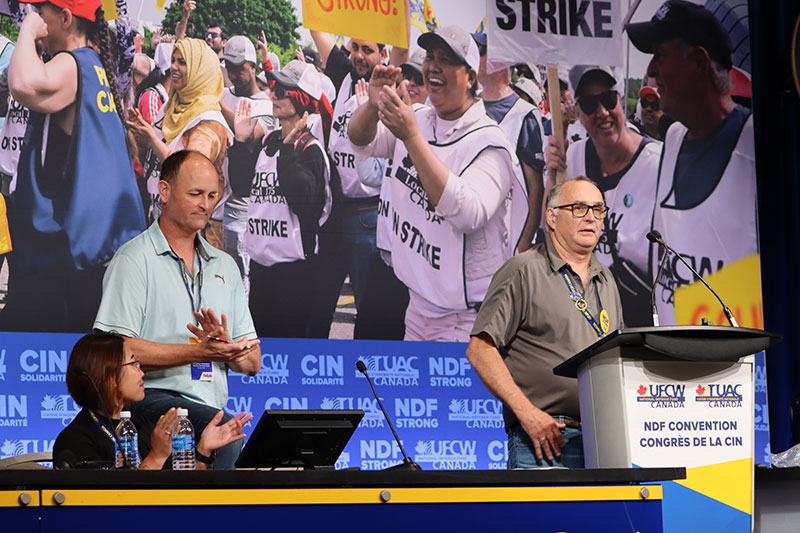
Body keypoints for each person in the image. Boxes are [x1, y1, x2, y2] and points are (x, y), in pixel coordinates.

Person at [348, 25, 521, 341]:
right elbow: (361, 143)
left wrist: (412, 137)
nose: (433, 66)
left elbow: (468, 213)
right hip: (417, 307)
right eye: (430, 56)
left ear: (470, 77)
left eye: (448, 59)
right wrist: (372, 105)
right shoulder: (420, 117)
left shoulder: (490, 142)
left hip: (466, 319)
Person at [94, 150, 261, 470]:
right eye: (195, 194)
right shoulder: (134, 259)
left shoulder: (225, 265)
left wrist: (226, 347)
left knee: (231, 431)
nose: (206, 204)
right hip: (149, 398)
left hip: (206, 405)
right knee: (224, 429)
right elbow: (115, 348)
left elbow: (253, 362)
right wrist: (199, 352)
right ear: (165, 191)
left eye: (213, 195)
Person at [1, 0, 145, 332]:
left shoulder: (71, 64)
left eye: (41, 10)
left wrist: (25, 32)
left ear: (66, 18)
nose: (35, 15)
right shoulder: (94, 65)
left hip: (67, 251)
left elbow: (23, 85)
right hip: (93, 249)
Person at [466, 178, 623, 469]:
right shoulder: (523, 270)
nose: (591, 216)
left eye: (598, 209)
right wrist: (527, 414)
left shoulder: (606, 279)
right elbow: (480, 350)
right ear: (551, 216)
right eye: (579, 208)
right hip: (544, 441)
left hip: (603, 441)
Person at [627, 0, 756, 325]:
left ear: (699, 62)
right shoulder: (672, 139)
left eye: (661, 55)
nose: (652, 70)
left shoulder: (755, 147)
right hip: (677, 365)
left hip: (739, 368)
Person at [545, 66, 661, 326]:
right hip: (588, 321)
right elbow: (551, 235)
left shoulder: (659, 165)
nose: (602, 112)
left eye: (608, 99)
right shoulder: (572, 158)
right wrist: (553, 177)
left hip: (644, 323)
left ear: (620, 98)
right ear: (578, 113)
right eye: (588, 104)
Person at [308, 30, 406, 339]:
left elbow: (401, 47)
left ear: (383, 56)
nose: (360, 56)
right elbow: (316, 27)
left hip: (370, 216)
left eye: (368, 50)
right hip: (336, 212)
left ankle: (365, 380)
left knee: (369, 312)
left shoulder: (389, 86)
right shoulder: (343, 73)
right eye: (355, 48)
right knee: (318, 305)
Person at [228, 60, 332, 337]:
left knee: (290, 353)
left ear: (303, 99)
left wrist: (288, 154)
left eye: (284, 91)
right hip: (262, 270)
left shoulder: (311, 149)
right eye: (274, 87)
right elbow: (240, 187)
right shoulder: (267, 141)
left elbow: (305, 206)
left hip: (295, 275)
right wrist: (240, 142)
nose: (273, 94)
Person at [53, 332, 252, 470]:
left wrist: (202, 451)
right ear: (108, 375)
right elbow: (110, 507)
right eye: (133, 363)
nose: (141, 372)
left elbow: (179, 495)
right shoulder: (75, 440)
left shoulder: (143, 425)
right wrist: (156, 456)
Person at [128, 37, 232, 250]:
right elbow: (146, 160)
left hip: (195, 237)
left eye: (183, 62)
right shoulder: (169, 108)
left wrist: (152, 140)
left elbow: (190, 173)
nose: (174, 67)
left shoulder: (209, 122)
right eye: (173, 60)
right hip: (161, 225)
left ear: (199, 70)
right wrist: (137, 133)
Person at [475, 32, 544, 253]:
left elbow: (535, 188)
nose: (473, 56)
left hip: (504, 248)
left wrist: (522, 248)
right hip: (466, 241)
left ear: (501, 59)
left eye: (481, 51)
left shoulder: (525, 115)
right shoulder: (469, 105)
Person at [218, 35, 275, 290]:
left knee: (240, 279)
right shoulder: (223, 94)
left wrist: (217, 103)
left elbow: (250, 134)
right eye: (228, 67)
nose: (233, 73)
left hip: (242, 209)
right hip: (215, 205)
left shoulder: (265, 104)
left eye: (239, 68)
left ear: (253, 67)